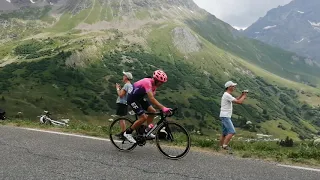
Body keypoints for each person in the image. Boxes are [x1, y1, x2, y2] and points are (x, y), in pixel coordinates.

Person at [123, 70, 172, 143]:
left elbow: (153, 99)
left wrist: (161, 108)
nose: (161, 84)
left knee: (152, 111)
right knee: (143, 117)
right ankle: (128, 133)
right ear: (155, 80)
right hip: (132, 99)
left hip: (139, 98)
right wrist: (163, 108)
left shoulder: (154, 85)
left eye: (162, 83)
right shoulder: (147, 82)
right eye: (160, 82)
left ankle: (147, 131)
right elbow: (151, 98)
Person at [219, 81, 248, 152]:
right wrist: (244, 96)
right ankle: (225, 146)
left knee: (224, 133)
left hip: (224, 115)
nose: (234, 87)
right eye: (233, 86)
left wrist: (241, 95)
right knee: (232, 131)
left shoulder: (227, 94)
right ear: (229, 87)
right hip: (225, 116)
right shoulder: (227, 95)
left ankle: (220, 146)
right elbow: (239, 102)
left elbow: (236, 99)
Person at [115, 71, 133, 138]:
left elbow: (120, 95)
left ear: (126, 77)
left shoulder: (126, 85)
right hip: (125, 103)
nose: (123, 77)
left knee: (121, 119)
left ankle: (123, 134)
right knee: (122, 119)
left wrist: (117, 88)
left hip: (122, 103)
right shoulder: (130, 85)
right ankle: (123, 133)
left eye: (124, 76)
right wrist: (120, 89)